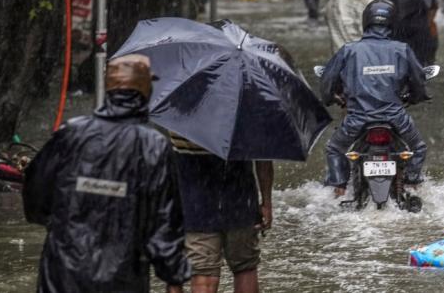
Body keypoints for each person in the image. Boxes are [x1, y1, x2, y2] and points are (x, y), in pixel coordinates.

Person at [23, 54, 190, 293]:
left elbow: (35, 196)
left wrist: (64, 228)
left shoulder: (71, 133)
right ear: (146, 89)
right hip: (121, 278)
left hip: (62, 275)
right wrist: (175, 277)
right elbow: (164, 224)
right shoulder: (153, 145)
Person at [320, 0, 430, 196]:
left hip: (357, 118)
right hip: (396, 117)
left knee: (335, 149)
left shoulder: (349, 50)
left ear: (366, 22)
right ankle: (411, 184)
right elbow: (418, 80)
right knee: (418, 148)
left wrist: (330, 98)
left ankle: (339, 188)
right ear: (392, 23)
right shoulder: (402, 49)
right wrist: (417, 97)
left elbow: (327, 80)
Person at [172, 136, 273, 293]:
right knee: (245, 267)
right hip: (240, 199)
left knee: (203, 271)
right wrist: (267, 201)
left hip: (196, 203)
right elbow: (263, 156)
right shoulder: (246, 113)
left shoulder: (177, 115)